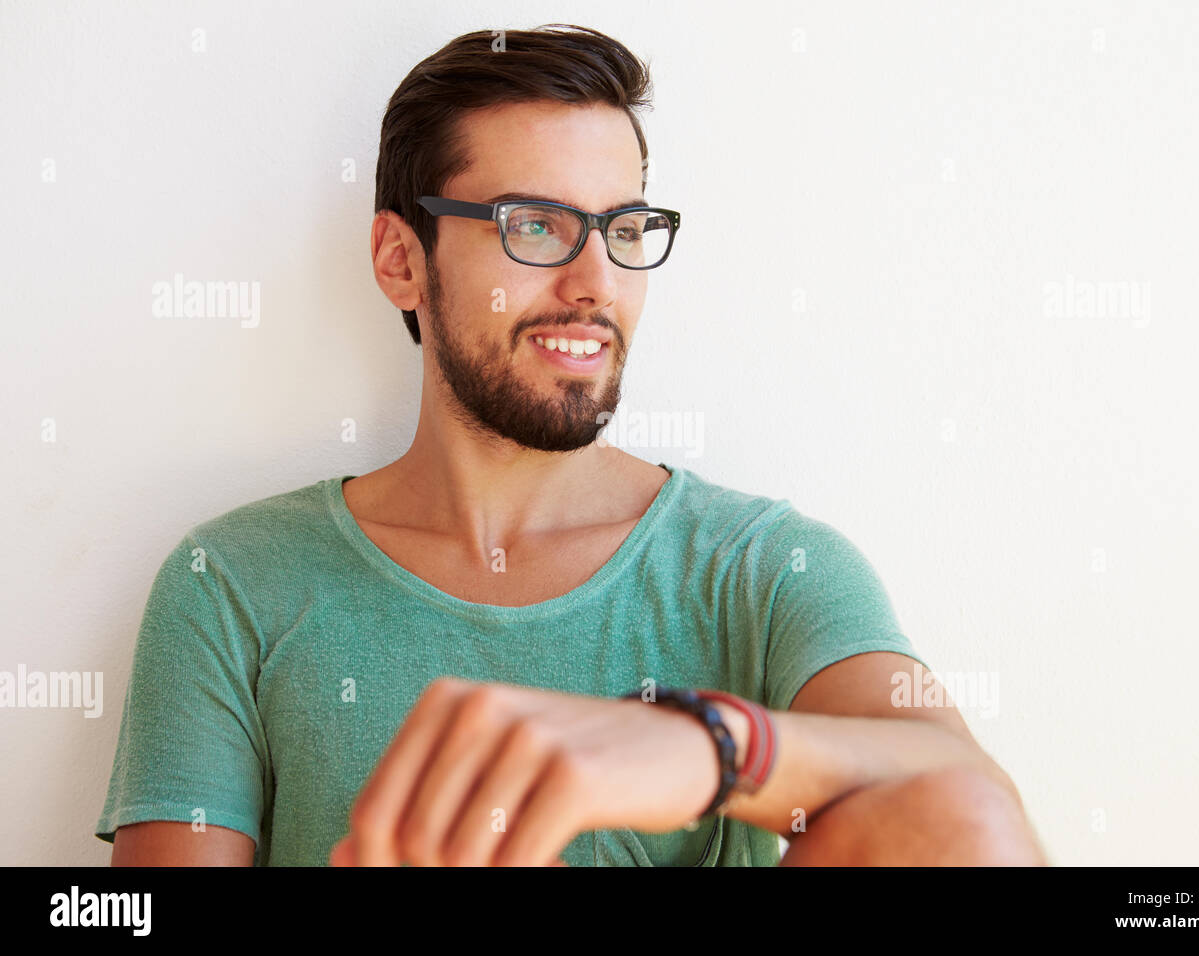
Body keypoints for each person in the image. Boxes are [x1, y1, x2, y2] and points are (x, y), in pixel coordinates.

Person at [95, 23, 1045, 867]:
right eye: (535, 225)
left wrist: (709, 747)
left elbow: (969, 805)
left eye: (623, 227)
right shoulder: (234, 583)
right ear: (400, 260)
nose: (596, 281)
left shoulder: (768, 571)